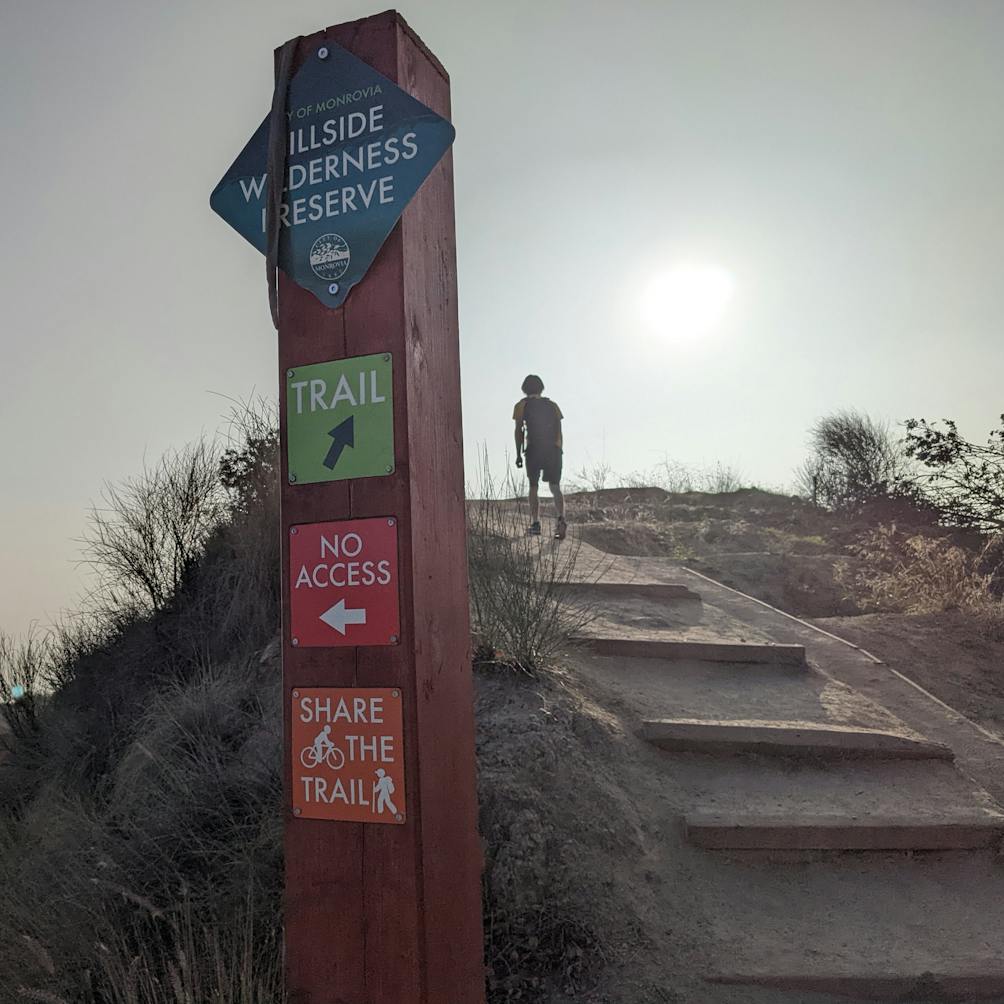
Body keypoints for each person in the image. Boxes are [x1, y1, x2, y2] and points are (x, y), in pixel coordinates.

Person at [513, 374, 566, 539]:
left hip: (534, 449)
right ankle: (561, 519)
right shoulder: (553, 405)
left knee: (533, 486)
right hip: (553, 449)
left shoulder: (521, 405)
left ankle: (535, 523)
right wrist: (558, 449)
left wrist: (518, 454)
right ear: (541, 388)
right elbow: (559, 430)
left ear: (524, 389)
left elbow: (518, 431)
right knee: (555, 486)